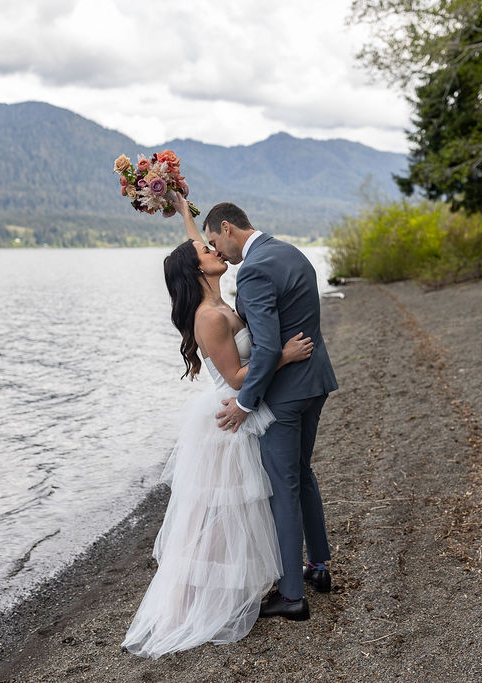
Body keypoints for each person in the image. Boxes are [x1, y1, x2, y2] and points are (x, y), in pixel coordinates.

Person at [121, 191, 313, 658]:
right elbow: (234, 376)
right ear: (199, 270)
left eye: (211, 244)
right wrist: (283, 356)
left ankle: (240, 587)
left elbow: (195, 251)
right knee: (220, 517)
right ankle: (197, 600)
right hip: (231, 418)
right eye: (207, 250)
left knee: (241, 513)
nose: (214, 249)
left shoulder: (215, 293)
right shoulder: (207, 316)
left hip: (244, 411)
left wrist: (184, 210)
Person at [204, 201, 338, 621]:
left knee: (284, 486)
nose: (217, 252)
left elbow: (264, 347)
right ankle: (318, 567)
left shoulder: (255, 270)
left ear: (227, 228)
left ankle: (292, 595)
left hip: (285, 395)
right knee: (302, 472)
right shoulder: (288, 250)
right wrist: (176, 202)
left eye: (214, 242)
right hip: (315, 383)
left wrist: (244, 404)